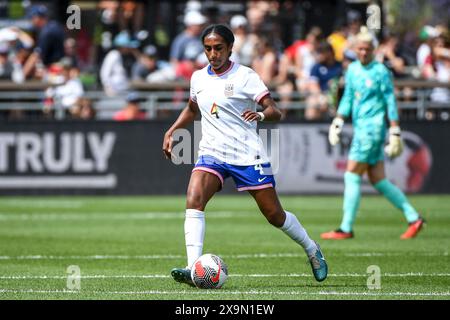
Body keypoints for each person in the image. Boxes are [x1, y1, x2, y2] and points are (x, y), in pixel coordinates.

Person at [162, 24, 328, 286]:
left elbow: (275, 111)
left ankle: (311, 248)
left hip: (246, 154)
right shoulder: (198, 78)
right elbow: (192, 109)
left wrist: (261, 115)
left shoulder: (246, 77)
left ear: (230, 48)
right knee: (194, 198)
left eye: (218, 48)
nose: (213, 53)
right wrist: (172, 130)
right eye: (208, 48)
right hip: (212, 151)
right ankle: (193, 267)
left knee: (274, 215)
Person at [321, 27, 426, 240]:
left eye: (367, 49)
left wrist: (395, 129)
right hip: (361, 128)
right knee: (378, 179)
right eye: (359, 49)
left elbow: (390, 100)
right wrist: (338, 120)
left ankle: (346, 227)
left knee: (351, 174)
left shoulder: (380, 71)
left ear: (374, 49)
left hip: (372, 129)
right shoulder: (352, 70)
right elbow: (348, 96)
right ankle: (413, 217)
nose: (363, 52)